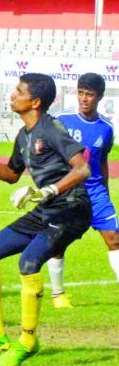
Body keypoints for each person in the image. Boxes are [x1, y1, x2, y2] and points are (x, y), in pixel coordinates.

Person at [0, 73, 91, 366]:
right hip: (46, 210)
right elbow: (12, 175)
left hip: (71, 211)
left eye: (18, 91)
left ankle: (27, 341)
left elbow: (82, 169)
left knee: (28, 262)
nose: (12, 95)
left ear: (35, 101)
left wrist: (48, 190)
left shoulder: (52, 129)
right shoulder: (25, 135)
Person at [49, 73, 119, 307]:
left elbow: (102, 161)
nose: (84, 98)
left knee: (114, 238)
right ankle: (58, 294)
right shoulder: (61, 119)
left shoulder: (106, 128)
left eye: (89, 94)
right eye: (80, 93)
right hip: (68, 190)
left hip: (96, 191)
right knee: (58, 242)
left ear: (99, 97)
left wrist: (105, 191)